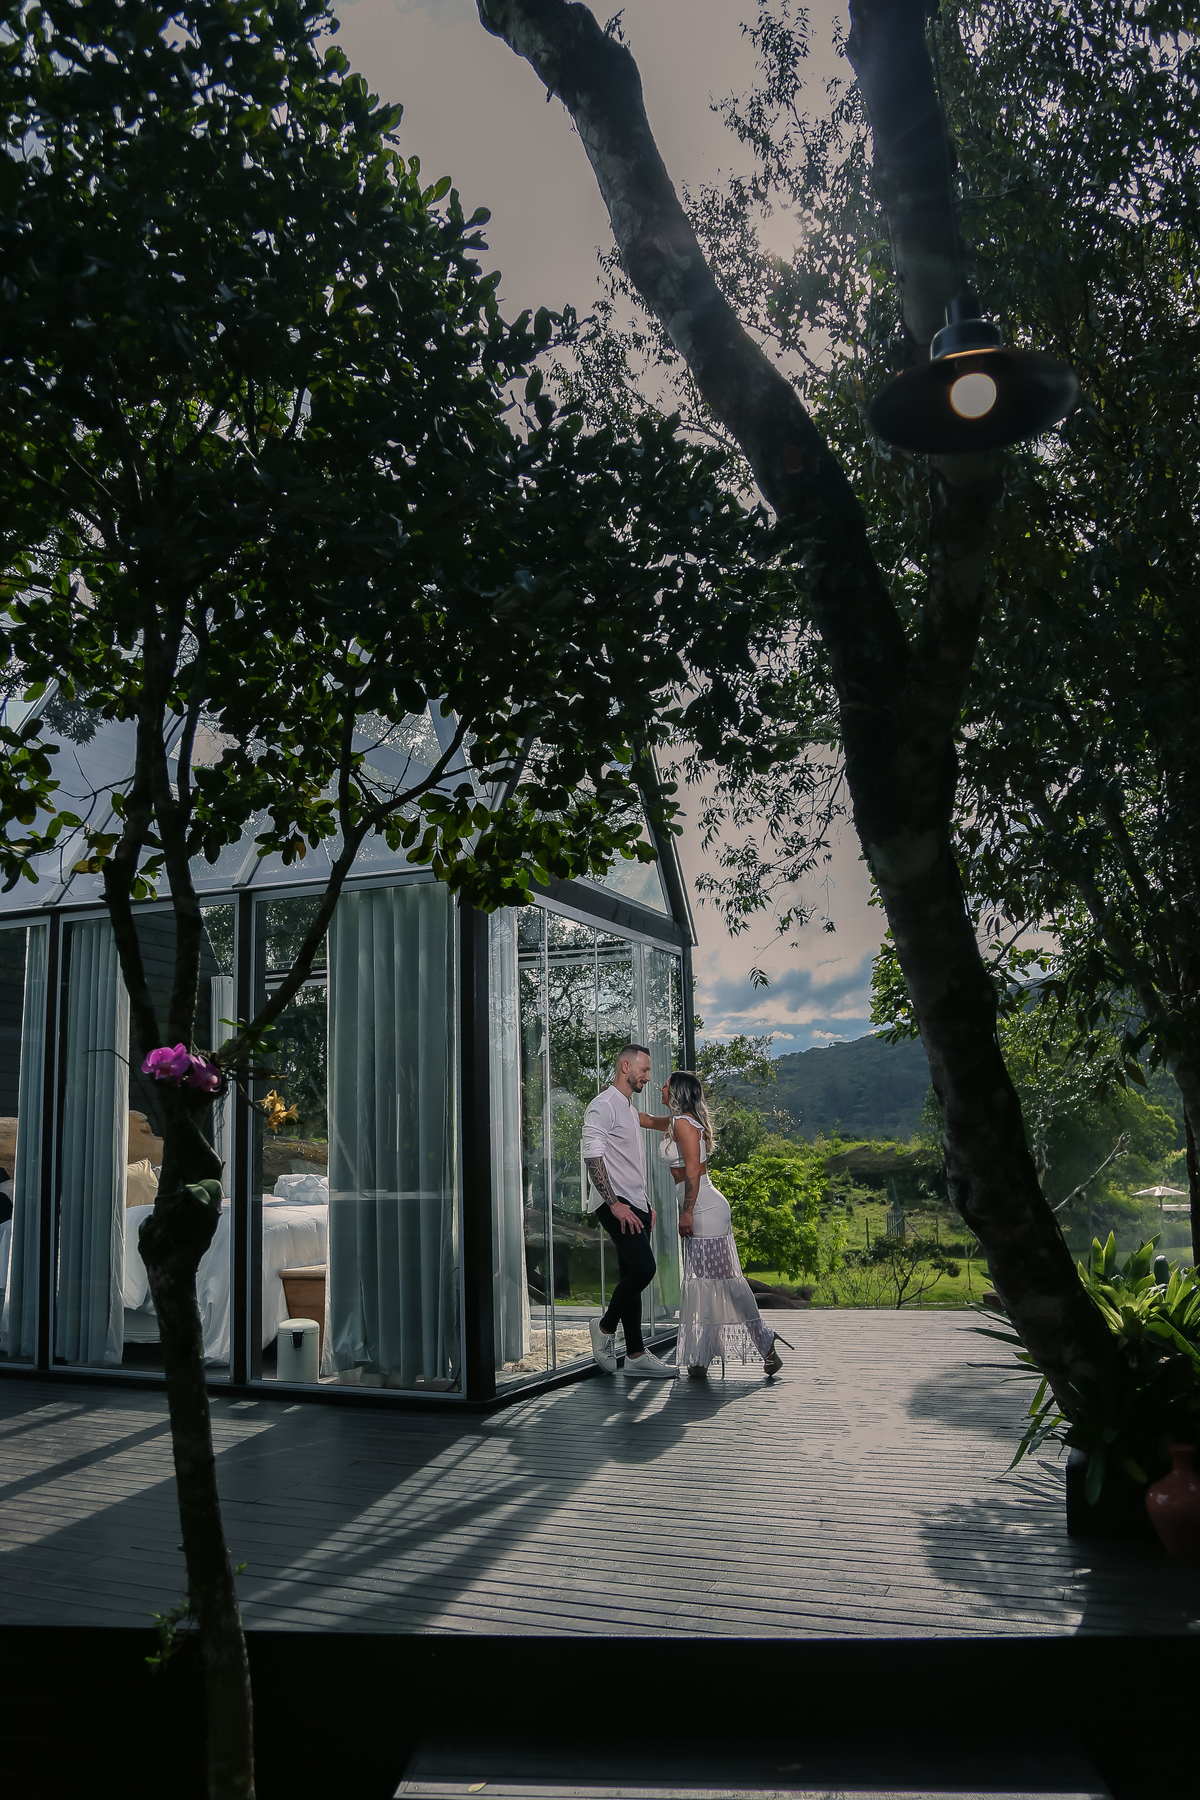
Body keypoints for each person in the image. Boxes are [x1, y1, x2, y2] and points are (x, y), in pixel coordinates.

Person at [660, 1069, 789, 1379]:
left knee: (725, 1283)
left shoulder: (683, 1124)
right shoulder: (679, 1122)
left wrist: (687, 1213)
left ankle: (764, 1342)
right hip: (703, 1206)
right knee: (709, 1283)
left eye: (665, 1085)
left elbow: (693, 1172)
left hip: (703, 1209)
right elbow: (646, 1119)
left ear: (677, 1093)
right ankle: (705, 1353)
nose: (660, 1087)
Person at [581, 1044, 678, 1379]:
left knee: (631, 1275)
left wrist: (645, 1203)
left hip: (636, 1204)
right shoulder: (603, 1105)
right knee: (644, 1269)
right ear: (626, 1066)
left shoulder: (628, 1108)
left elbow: (630, 1162)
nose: (648, 1077)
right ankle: (604, 1327)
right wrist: (614, 1204)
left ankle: (635, 1355)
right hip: (616, 1204)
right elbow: (593, 1157)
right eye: (644, 1070)